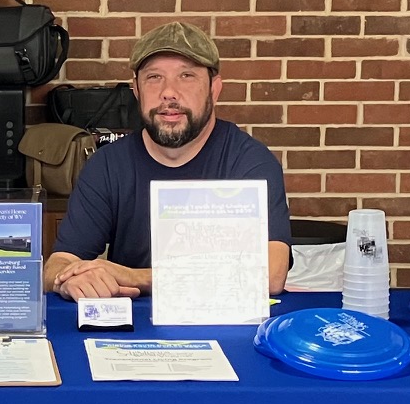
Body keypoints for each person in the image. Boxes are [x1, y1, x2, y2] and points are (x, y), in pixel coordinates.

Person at [43, 22, 292, 300]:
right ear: (136, 90)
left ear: (214, 89)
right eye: (154, 77)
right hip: (133, 321)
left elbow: (271, 275)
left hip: (222, 318)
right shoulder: (108, 165)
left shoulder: (249, 162)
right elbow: (59, 263)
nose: (169, 92)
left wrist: (136, 277)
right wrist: (69, 281)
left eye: (186, 76)